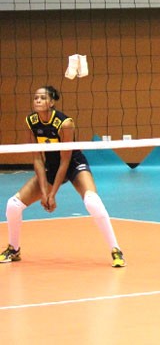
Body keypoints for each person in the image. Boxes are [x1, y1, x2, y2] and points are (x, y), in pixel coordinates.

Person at [0, 85, 126, 267]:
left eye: (42, 98)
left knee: (92, 201)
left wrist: (53, 194)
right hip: (51, 167)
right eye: (36, 98)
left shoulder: (65, 123)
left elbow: (65, 161)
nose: (38, 101)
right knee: (13, 205)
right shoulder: (31, 121)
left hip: (73, 164)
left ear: (51, 102)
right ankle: (14, 249)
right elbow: (36, 157)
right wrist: (44, 192)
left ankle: (116, 250)